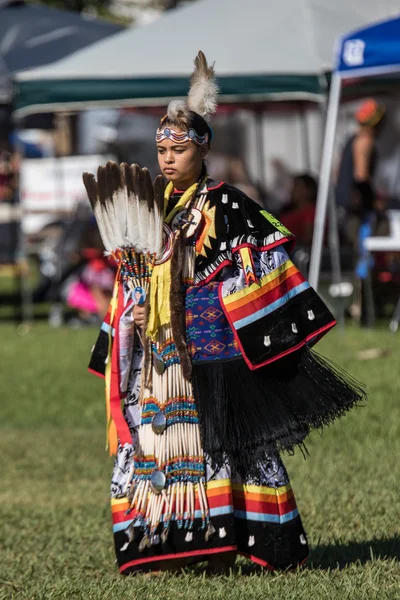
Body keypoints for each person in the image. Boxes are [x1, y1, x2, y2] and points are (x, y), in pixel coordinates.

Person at [86, 52, 365, 575]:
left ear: (203, 148)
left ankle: (254, 544)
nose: (168, 158)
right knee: (156, 443)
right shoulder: (150, 208)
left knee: (231, 447)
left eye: (179, 148)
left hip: (216, 353)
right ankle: (166, 550)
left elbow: (265, 266)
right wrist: (136, 312)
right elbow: (130, 279)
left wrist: (196, 304)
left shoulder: (228, 205)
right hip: (160, 357)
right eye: (161, 149)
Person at [336, 98, 385, 214]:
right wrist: (373, 201)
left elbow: (337, 172)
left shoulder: (353, 139)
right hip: (355, 207)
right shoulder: (365, 140)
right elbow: (361, 175)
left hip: (345, 203)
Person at [280, 173, 318, 246]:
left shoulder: (311, 212)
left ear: (309, 190)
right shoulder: (290, 210)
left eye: (298, 186)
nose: (293, 190)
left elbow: (309, 238)